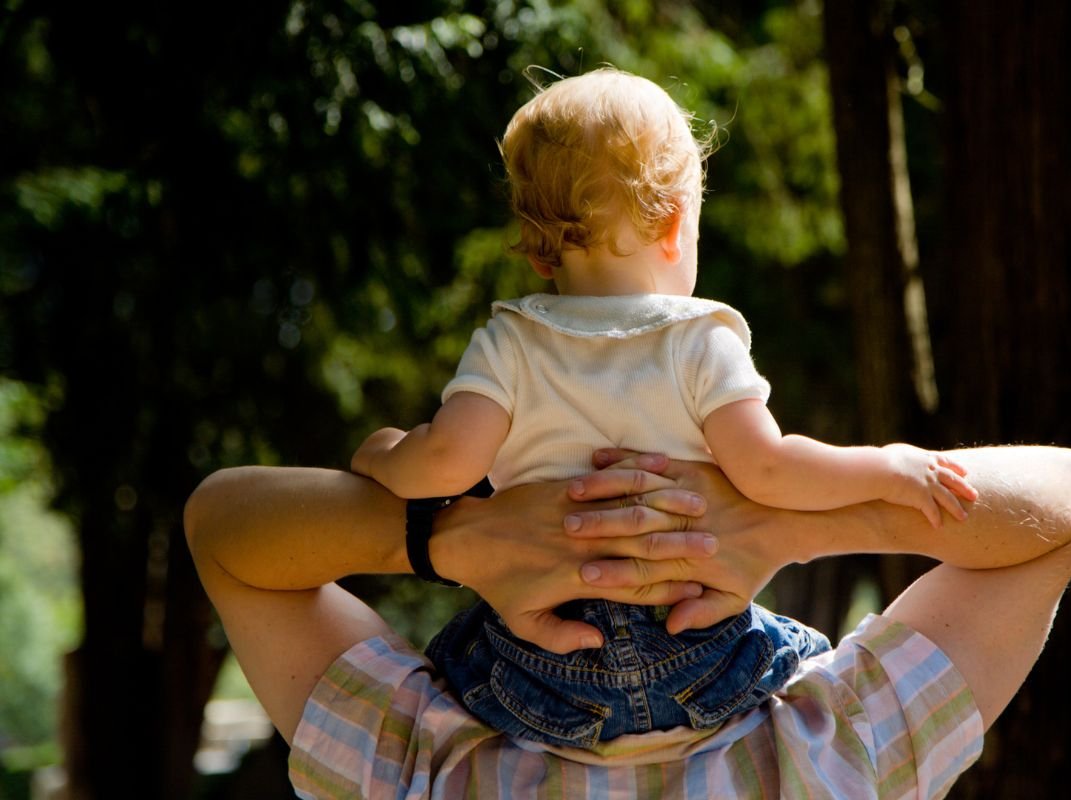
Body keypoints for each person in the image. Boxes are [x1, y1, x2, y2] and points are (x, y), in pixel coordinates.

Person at [346, 67, 979, 748]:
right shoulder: (699, 340)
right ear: (678, 225)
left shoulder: (511, 343)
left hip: (538, 672)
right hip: (698, 653)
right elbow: (770, 471)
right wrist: (889, 467)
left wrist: (380, 451)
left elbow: (443, 464)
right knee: (810, 650)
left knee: (457, 651)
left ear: (536, 250)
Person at [185, 445, 1071, 798]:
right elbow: (1064, 499)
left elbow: (224, 526)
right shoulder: (837, 757)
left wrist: (454, 535)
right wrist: (786, 520)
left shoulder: (424, 767)